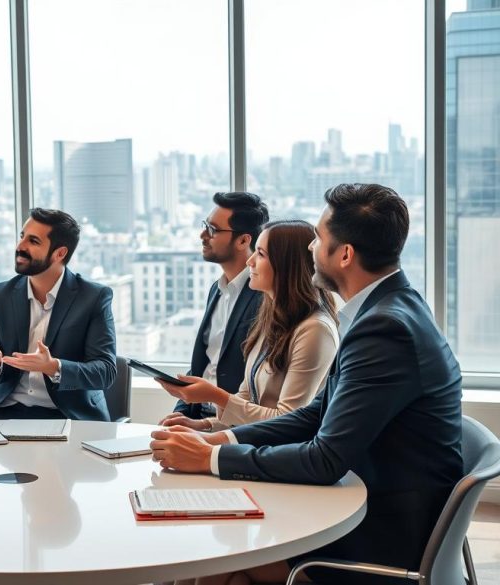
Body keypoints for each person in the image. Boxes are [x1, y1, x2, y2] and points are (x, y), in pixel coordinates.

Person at [150, 183, 463, 585]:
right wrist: (219, 441)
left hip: (382, 532)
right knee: (211, 563)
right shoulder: (390, 308)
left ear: (345, 254)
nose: (311, 247)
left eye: (318, 238)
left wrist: (208, 461)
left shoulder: (385, 328)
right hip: (378, 503)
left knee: (211, 562)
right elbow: (317, 412)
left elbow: (325, 459)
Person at [159, 220, 338, 431]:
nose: (250, 261)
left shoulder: (315, 330)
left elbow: (287, 420)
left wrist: (215, 396)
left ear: (287, 265)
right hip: (256, 445)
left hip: (282, 454)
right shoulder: (271, 317)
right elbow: (247, 399)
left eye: (261, 254)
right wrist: (202, 425)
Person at [0, 208, 117, 421]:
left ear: (59, 253)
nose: (20, 247)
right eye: (22, 236)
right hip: (3, 410)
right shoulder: (0, 295)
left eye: (33, 242)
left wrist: (53, 367)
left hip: (66, 415)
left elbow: (105, 371)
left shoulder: (94, 297)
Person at [161, 192, 269, 424]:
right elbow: (203, 366)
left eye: (212, 229)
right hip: (200, 418)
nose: (202, 235)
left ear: (243, 241)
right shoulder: (216, 289)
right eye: (205, 226)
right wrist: (180, 413)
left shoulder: (265, 297)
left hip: (236, 424)